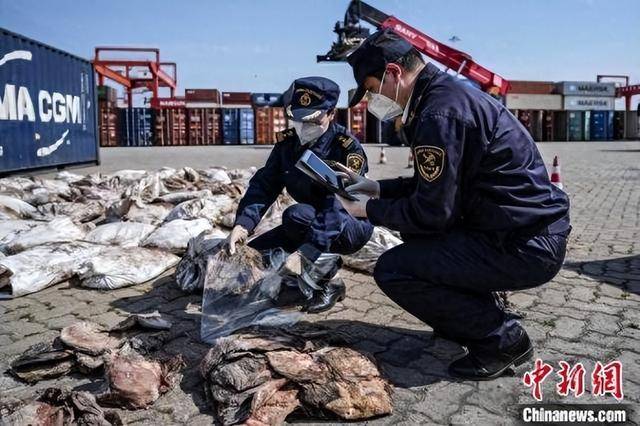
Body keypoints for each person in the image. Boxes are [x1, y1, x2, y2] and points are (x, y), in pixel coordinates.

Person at [337, 29, 571, 380]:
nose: (373, 100)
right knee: (417, 237)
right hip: (518, 232)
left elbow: (432, 212)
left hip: (523, 246)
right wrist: (376, 188)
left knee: (394, 269)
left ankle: (503, 340)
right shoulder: (444, 97)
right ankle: (470, 316)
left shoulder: (437, 114)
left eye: (372, 89)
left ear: (394, 73)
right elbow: (434, 186)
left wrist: (365, 211)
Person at [226, 76, 374, 313]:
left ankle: (330, 282)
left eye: (312, 120)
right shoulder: (288, 144)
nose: (304, 127)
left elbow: (339, 205)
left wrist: (307, 253)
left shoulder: (346, 148)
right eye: (298, 119)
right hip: (308, 219)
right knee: (254, 255)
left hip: (349, 224)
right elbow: (265, 184)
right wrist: (243, 224)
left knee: (296, 215)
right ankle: (304, 268)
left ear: (331, 113)